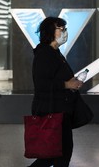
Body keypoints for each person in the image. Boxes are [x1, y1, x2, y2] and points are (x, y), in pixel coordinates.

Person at [29, 17, 83, 167]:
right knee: (55, 153)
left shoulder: (55, 52)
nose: (65, 32)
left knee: (56, 152)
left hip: (59, 109)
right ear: (50, 32)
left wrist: (71, 83)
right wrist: (67, 84)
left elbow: (56, 77)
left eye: (65, 29)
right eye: (61, 29)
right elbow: (42, 83)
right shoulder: (45, 53)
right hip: (51, 110)